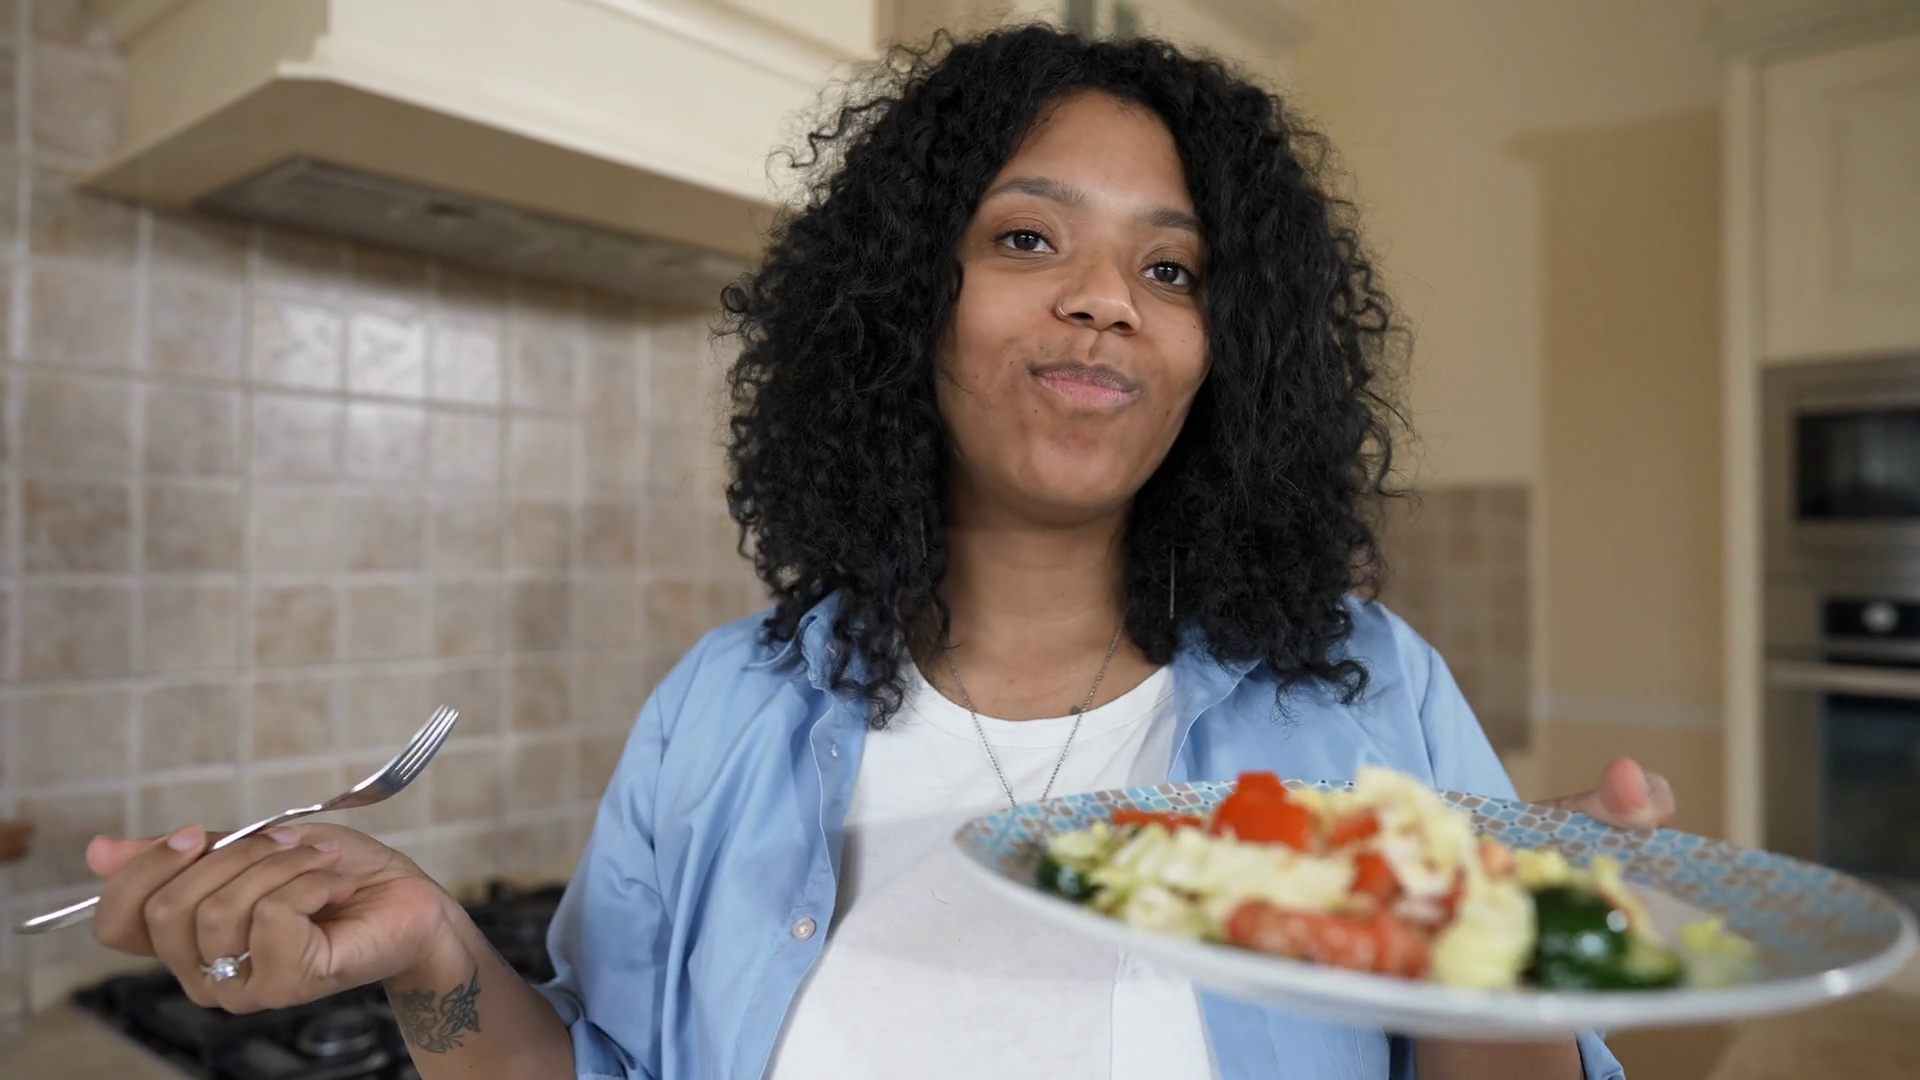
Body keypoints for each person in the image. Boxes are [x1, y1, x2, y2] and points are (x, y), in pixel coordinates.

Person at [85, 25, 1679, 1080]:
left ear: (1228, 355)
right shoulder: (721, 710)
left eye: (1174, 269)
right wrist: (435, 954)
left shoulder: (1367, 696)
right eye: (1028, 238)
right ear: (909, 306)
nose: (1104, 299)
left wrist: (1507, 967)